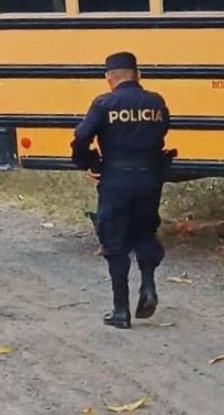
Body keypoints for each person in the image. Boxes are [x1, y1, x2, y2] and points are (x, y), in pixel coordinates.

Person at [70, 51, 171, 329]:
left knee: (115, 242)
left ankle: (120, 311)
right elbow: (163, 131)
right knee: (145, 231)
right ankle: (148, 286)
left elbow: (81, 137)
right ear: (137, 75)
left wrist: (88, 161)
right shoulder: (156, 102)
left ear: (109, 78)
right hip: (150, 178)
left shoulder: (104, 104)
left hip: (116, 179)